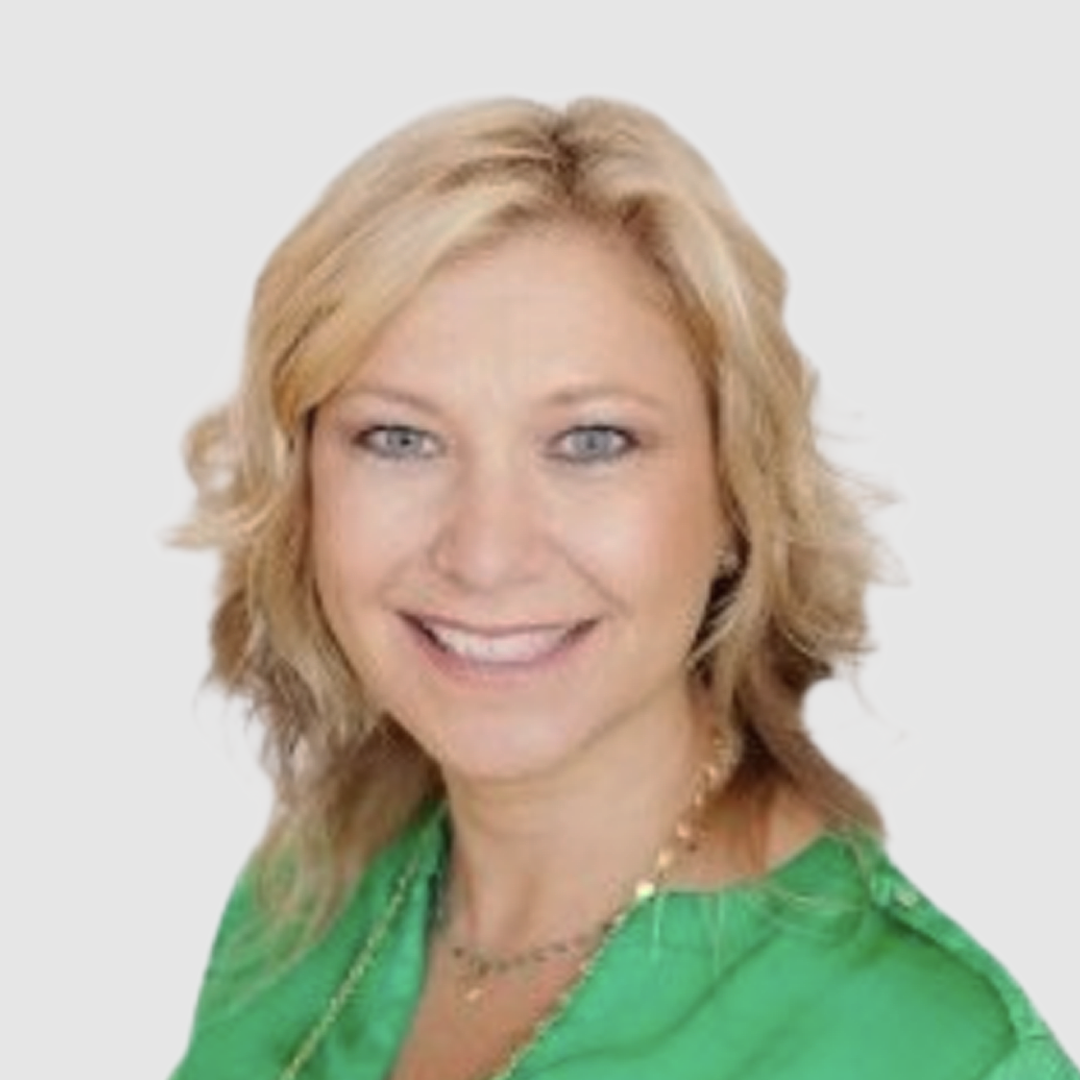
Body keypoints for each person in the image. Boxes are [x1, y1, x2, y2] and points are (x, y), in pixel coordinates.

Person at [170, 97, 1077, 1080]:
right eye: (399, 437)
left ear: (738, 493)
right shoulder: (305, 903)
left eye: (593, 442)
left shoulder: (927, 1050)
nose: (485, 551)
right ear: (302, 483)